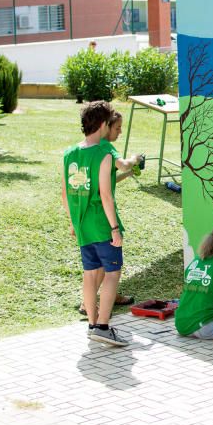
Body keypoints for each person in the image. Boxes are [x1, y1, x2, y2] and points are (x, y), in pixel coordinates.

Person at [61, 101, 128, 346]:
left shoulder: (69, 153)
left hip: (82, 226)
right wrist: (114, 228)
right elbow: (106, 195)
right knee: (112, 273)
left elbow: (64, 194)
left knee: (90, 275)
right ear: (102, 124)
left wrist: (73, 223)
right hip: (102, 225)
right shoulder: (104, 153)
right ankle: (102, 326)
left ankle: (92, 325)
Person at [76, 110, 142, 314]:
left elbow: (104, 182)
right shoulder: (104, 147)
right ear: (105, 126)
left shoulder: (88, 149)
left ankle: (97, 301)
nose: (120, 132)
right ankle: (93, 310)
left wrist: (130, 174)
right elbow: (122, 166)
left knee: (96, 266)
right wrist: (134, 159)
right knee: (108, 266)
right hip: (103, 219)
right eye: (118, 127)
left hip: (85, 220)